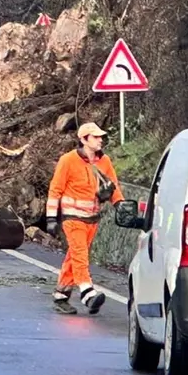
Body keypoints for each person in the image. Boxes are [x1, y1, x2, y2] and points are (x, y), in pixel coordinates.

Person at [46, 122, 125, 315]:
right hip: (72, 218)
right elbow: (55, 190)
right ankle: (87, 292)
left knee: (74, 256)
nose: (100, 140)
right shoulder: (68, 160)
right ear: (84, 139)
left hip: (92, 218)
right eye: (96, 137)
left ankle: (61, 295)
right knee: (80, 254)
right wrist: (50, 218)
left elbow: (112, 185)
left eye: (100, 137)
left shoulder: (104, 161)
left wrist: (120, 205)